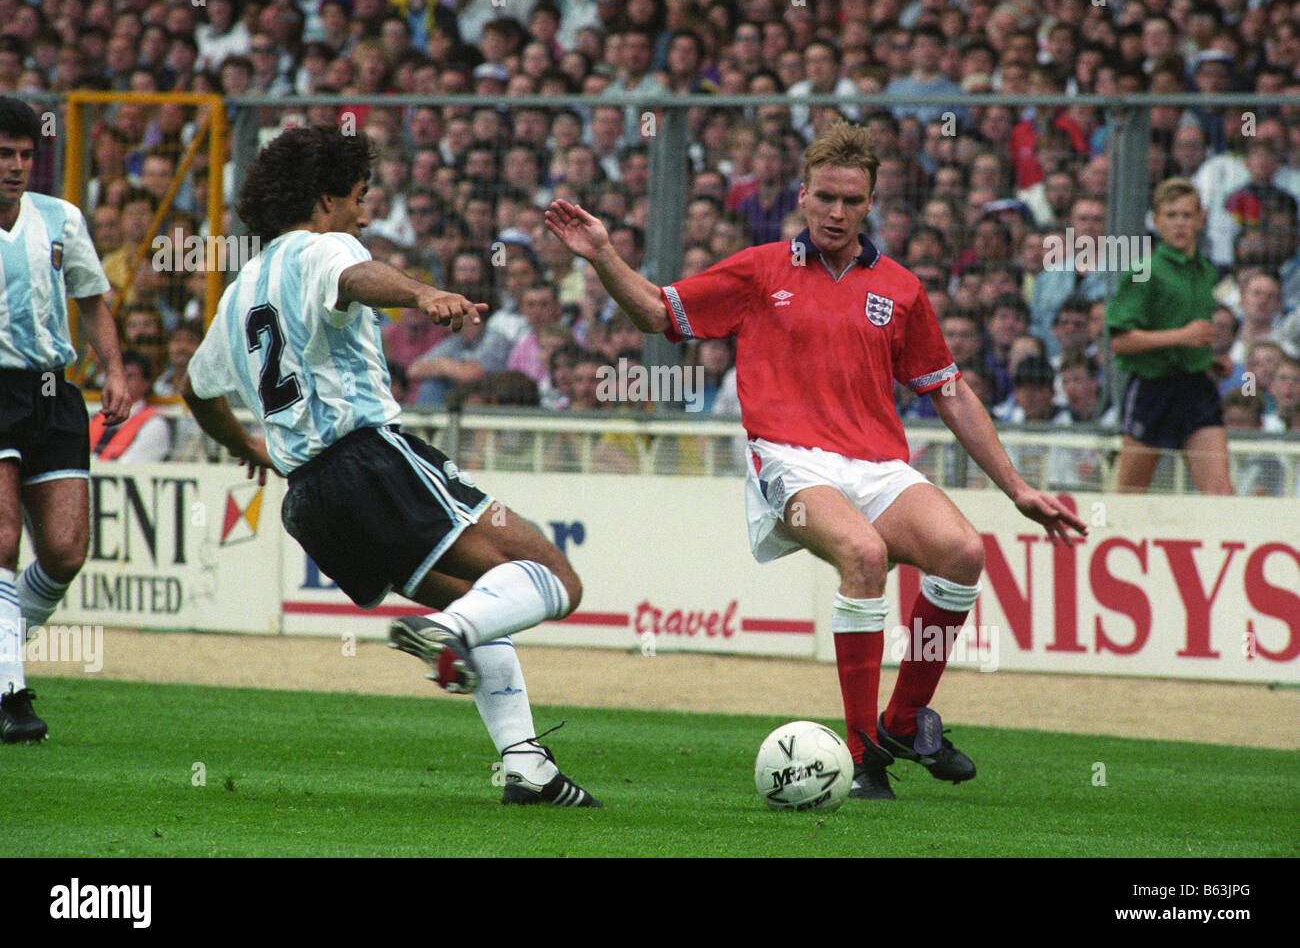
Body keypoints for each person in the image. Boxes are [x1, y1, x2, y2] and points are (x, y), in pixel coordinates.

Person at [545, 121, 1086, 801]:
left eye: (850, 200)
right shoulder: (759, 269)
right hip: (791, 462)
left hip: (879, 465)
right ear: (802, 195)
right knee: (863, 555)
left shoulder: (902, 289)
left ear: (869, 205)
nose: (836, 212)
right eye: (825, 197)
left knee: (963, 553)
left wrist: (1017, 488)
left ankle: (902, 720)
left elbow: (948, 391)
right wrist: (601, 255)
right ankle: (865, 759)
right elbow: (658, 313)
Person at [181, 125, 599, 807]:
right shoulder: (325, 246)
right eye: (358, 197)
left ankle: (525, 764)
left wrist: (250, 448)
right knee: (555, 576)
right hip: (370, 459)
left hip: (309, 501)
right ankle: (446, 639)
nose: (366, 213)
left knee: (481, 602)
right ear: (324, 200)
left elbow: (197, 391)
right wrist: (421, 295)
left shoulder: (238, 292)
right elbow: (354, 276)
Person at [0, 97, 130, 744]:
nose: (17, 166)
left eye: (25, 154)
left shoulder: (61, 219)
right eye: (5, 154)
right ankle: (11, 691)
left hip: (54, 394)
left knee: (64, 551)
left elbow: (92, 301)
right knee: (1, 539)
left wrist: (114, 369)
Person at [1108, 178, 1233, 494]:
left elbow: (1191, 338)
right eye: (1171, 215)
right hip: (1153, 389)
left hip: (1196, 387)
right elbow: (1120, 341)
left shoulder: (1204, 270)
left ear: (1201, 219)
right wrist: (1181, 337)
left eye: (1187, 215)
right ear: (1156, 220)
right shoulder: (1144, 270)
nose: (1180, 223)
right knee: (1130, 492)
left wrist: (1209, 360)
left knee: (1221, 493)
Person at [88, 351, 171, 462]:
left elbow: (132, 465)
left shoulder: (155, 424)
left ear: (146, 383)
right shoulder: (94, 418)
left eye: (130, 376)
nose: (122, 381)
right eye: (119, 376)